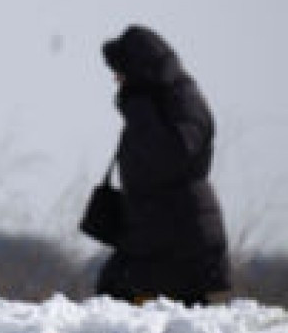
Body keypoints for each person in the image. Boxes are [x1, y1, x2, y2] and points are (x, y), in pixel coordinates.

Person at [94, 24, 230, 306]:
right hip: (157, 232)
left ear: (139, 70)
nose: (116, 80)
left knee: (129, 305)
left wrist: (138, 108)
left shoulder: (179, 101)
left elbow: (173, 155)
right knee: (116, 299)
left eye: (120, 71)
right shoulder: (160, 99)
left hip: (180, 235)